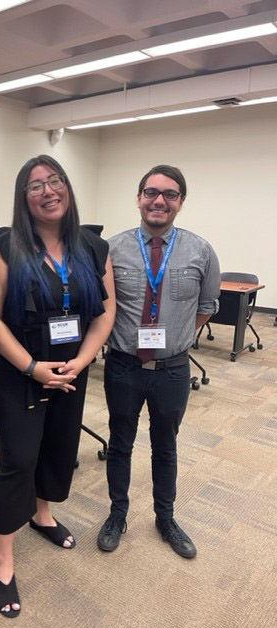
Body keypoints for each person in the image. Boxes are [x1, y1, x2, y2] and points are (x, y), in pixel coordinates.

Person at [0, 154, 116, 617]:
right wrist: (32, 367)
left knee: (58, 447)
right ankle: (2, 559)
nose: (48, 190)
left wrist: (81, 361)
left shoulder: (92, 248)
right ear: (24, 198)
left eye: (55, 180)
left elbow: (105, 313)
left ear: (67, 188)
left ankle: (42, 514)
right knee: (18, 458)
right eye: (36, 185)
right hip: (22, 370)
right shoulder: (3, 248)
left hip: (72, 370)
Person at [97, 164, 220, 559]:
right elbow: (103, 309)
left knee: (165, 446)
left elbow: (205, 308)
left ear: (180, 203)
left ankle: (165, 518)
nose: (159, 200)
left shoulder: (201, 250)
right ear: (138, 199)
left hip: (172, 370)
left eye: (169, 194)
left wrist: (176, 338)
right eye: (151, 192)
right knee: (120, 444)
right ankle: (118, 514)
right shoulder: (111, 250)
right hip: (123, 367)